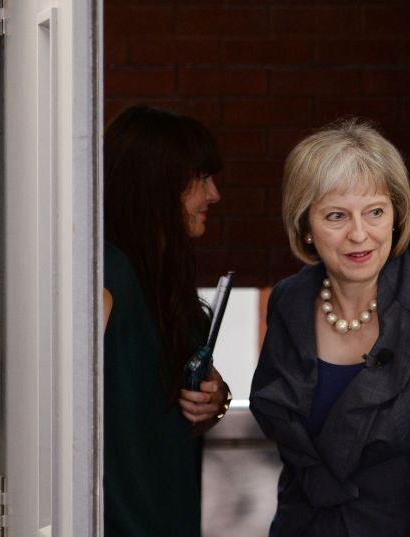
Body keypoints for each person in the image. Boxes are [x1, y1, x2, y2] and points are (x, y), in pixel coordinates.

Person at [250, 119, 410, 536]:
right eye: (337, 216)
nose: (360, 235)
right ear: (305, 226)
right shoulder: (290, 300)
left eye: (375, 212)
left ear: (396, 215)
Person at [102, 105, 233, 536]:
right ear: (155, 183)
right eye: (200, 178)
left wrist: (215, 401)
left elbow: (171, 413)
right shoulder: (105, 276)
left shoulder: (168, 285)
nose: (213, 194)